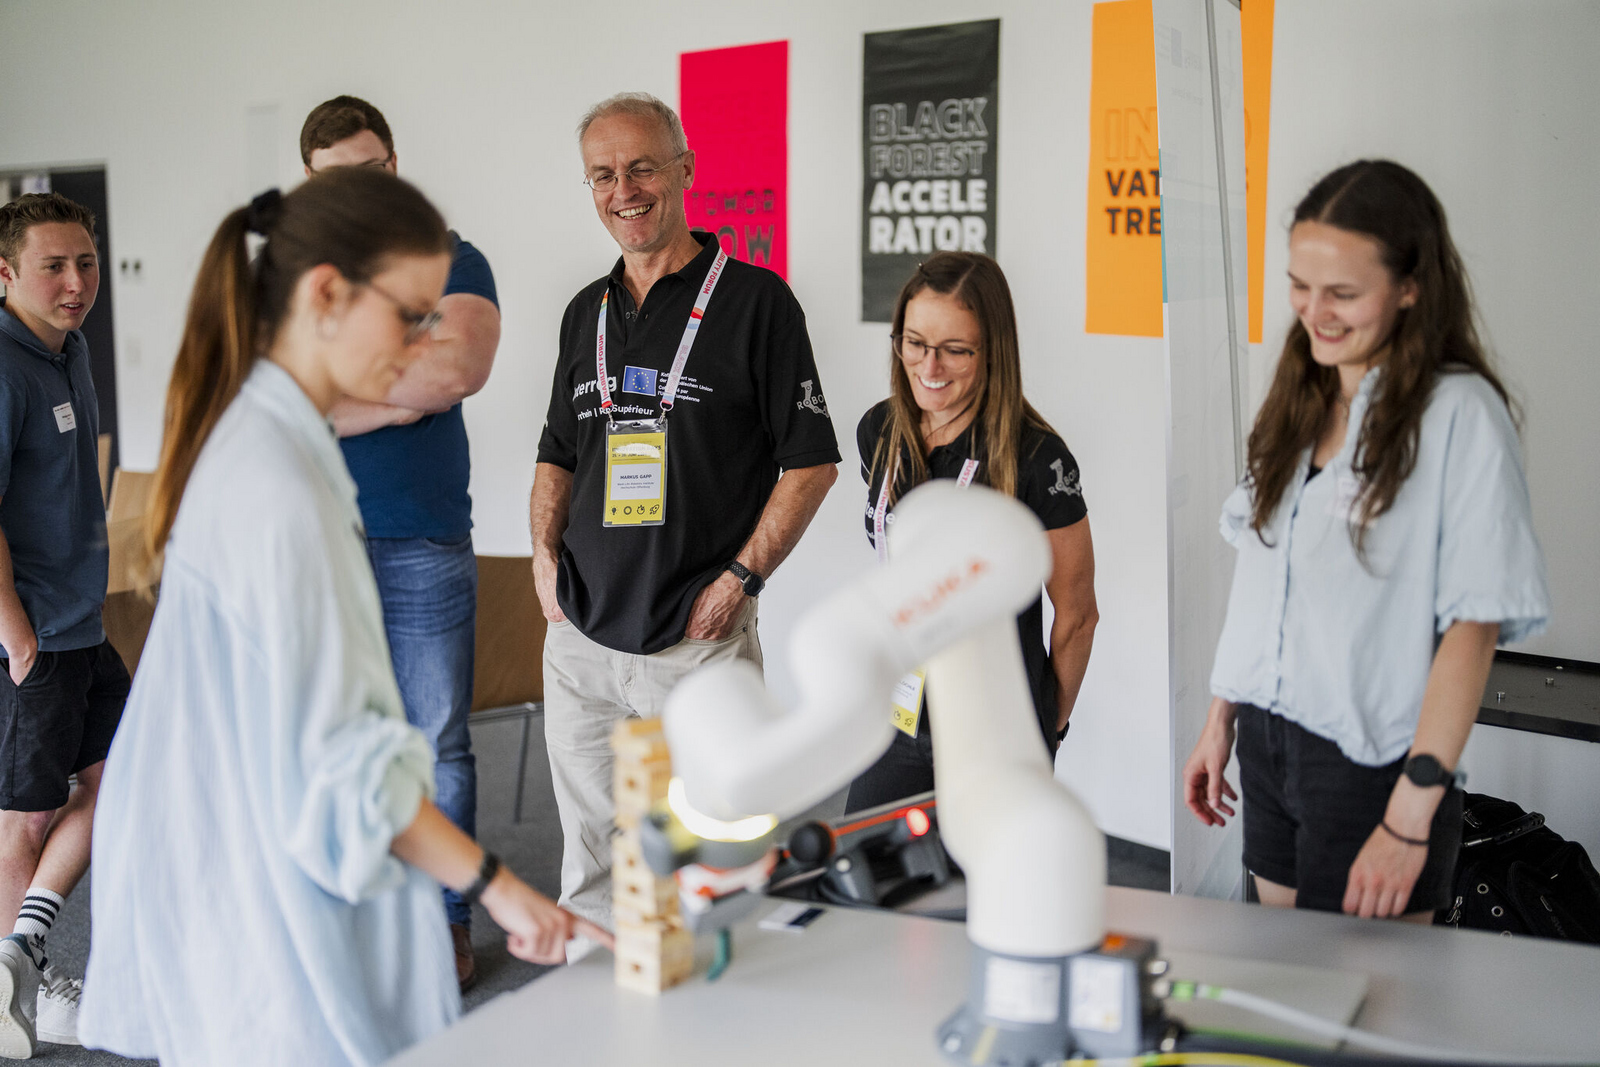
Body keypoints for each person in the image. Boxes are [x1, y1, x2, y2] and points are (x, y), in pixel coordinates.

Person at [76, 169, 607, 1067]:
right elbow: (341, 756)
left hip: (254, 839)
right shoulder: (276, 482)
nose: (426, 342)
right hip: (258, 867)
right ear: (327, 293)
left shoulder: (281, 438)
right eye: (411, 315)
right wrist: (499, 886)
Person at [1182, 160, 1550, 920]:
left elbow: (1473, 626)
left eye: (1342, 294)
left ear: (1411, 286)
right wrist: (1221, 718)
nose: (1314, 312)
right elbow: (1262, 576)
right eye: (1300, 286)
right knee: (1289, 974)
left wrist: (1410, 816)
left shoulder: (1459, 415)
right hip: (1269, 743)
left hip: (1372, 763)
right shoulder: (1303, 393)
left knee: (1365, 989)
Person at [531, 93, 839, 951]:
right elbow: (557, 451)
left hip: (694, 640)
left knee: (712, 853)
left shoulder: (756, 303)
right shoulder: (585, 311)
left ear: (685, 170)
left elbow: (811, 462)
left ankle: (717, 999)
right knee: (594, 856)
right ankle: (599, 986)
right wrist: (542, 558)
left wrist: (740, 580)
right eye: (603, 175)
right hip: (582, 637)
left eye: (641, 167)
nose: (622, 190)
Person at [300, 95, 502, 988]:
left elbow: (455, 368)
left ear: (394, 164)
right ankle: (352, 921)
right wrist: (399, 391)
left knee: (436, 741)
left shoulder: (454, 259)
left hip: (421, 535)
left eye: (372, 169)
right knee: (327, 738)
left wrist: (335, 391)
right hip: (314, 542)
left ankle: (444, 923)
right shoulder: (302, 279)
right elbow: (270, 393)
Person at [847, 252, 1098, 813]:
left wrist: (1048, 729)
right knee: (868, 862)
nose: (930, 366)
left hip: (997, 726)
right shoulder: (879, 430)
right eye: (915, 343)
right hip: (900, 711)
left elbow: (1078, 616)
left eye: (955, 349)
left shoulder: (1037, 459)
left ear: (993, 350)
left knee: (980, 871)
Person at [0, 193, 129, 1056]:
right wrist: (16, 634)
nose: (76, 282)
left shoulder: (69, 349)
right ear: (6, 273)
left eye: (85, 262)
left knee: (124, 781)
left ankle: (19, 954)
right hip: (35, 635)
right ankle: (26, 998)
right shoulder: (6, 366)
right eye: (54, 266)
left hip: (80, 622)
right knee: (24, 819)